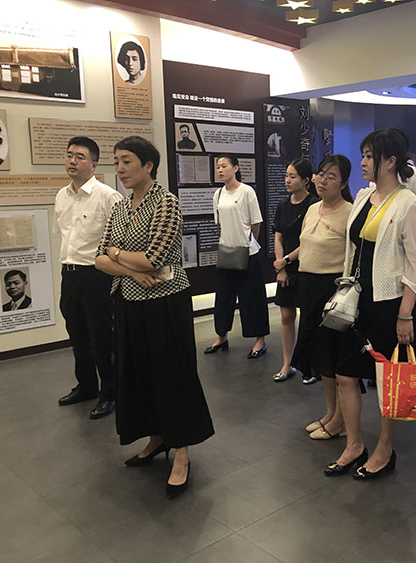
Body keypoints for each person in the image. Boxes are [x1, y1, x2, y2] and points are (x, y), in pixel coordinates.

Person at [95, 136, 214, 499]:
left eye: (127, 161)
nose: (120, 169)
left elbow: (155, 258)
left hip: (165, 303)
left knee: (171, 374)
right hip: (128, 302)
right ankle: (156, 437)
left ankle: (182, 451)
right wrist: (128, 268)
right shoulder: (120, 207)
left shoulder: (166, 202)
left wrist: (117, 254)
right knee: (137, 374)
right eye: (117, 161)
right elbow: (99, 259)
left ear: (148, 165)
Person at [325, 129, 416, 479]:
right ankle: (354, 444)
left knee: (390, 380)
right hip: (356, 300)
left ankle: (385, 450)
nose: (363, 162)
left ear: (390, 161)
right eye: (364, 155)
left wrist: (405, 314)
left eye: (370, 156)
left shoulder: (409, 204)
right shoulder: (362, 197)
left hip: (390, 303)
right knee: (345, 373)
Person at [55, 136, 123, 420]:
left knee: (101, 337)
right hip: (69, 274)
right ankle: (86, 386)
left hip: (97, 275)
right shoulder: (62, 195)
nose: (72, 161)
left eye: (80, 156)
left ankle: (110, 392)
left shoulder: (108, 196)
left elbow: (120, 240)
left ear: (94, 164)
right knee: (77, 333)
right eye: (69, 155)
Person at [292, 154, 353, 437]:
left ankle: (341, 421)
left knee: (335, 356)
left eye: (331, 177)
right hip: (309, 286)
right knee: (320, 355)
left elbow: (352, 257)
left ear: (343, 183)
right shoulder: (312, 208)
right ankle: (331, 413)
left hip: (333, 289)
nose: (322, 181)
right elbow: (304, 246)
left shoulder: (350, 212)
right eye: (321, 174)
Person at [205, 156, 270, 357]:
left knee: (252, 297)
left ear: (235, 168)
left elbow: (255, 223)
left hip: (248, 252)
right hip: (227, 252)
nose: (220, 170)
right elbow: (220, 223)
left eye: (224, 166)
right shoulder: (218, 194)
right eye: (218, 167)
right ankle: (221, 336)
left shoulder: (246, 191)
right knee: (223, 297)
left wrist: (249, 242)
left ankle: (259, 340)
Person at [271, 159, 319, 382]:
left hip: (307, 266)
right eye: (286, 176)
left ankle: (310, 366)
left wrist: (286, 260)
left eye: (293, 176)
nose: (287, 180)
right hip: (285, 267)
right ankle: (287, 363)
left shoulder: (314, 204)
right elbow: (278, 236)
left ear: (306, 180)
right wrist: (280, 266)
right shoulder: (283, 205)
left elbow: (309, 240)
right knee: (286, 315)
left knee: (308, 319)